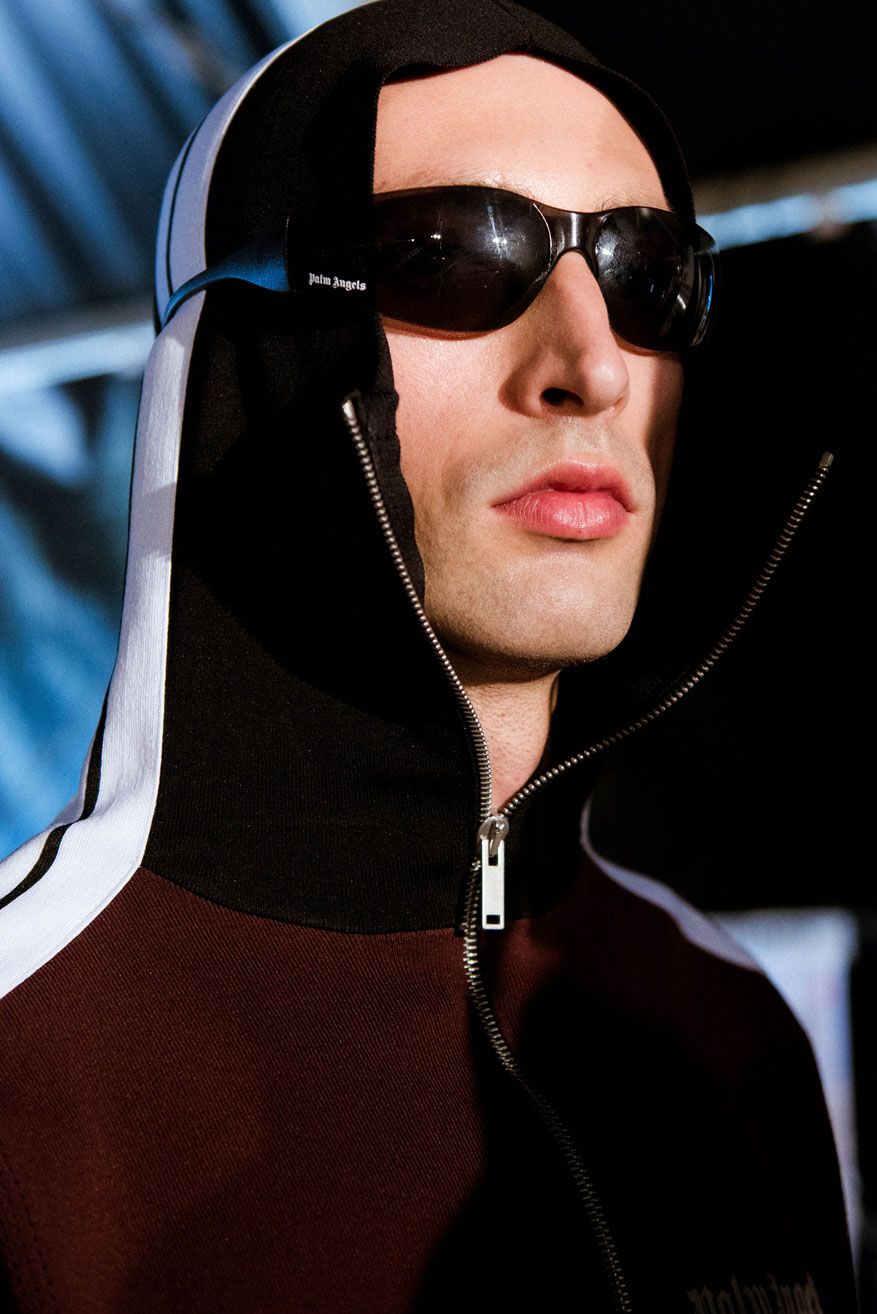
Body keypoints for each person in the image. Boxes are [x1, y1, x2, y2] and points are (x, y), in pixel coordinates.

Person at [0, 1, 857, 1310]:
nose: (590, 367)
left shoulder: (728, 1028)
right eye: (451, 255)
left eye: (647, 274)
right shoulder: (27, 1046)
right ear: (252, 357)